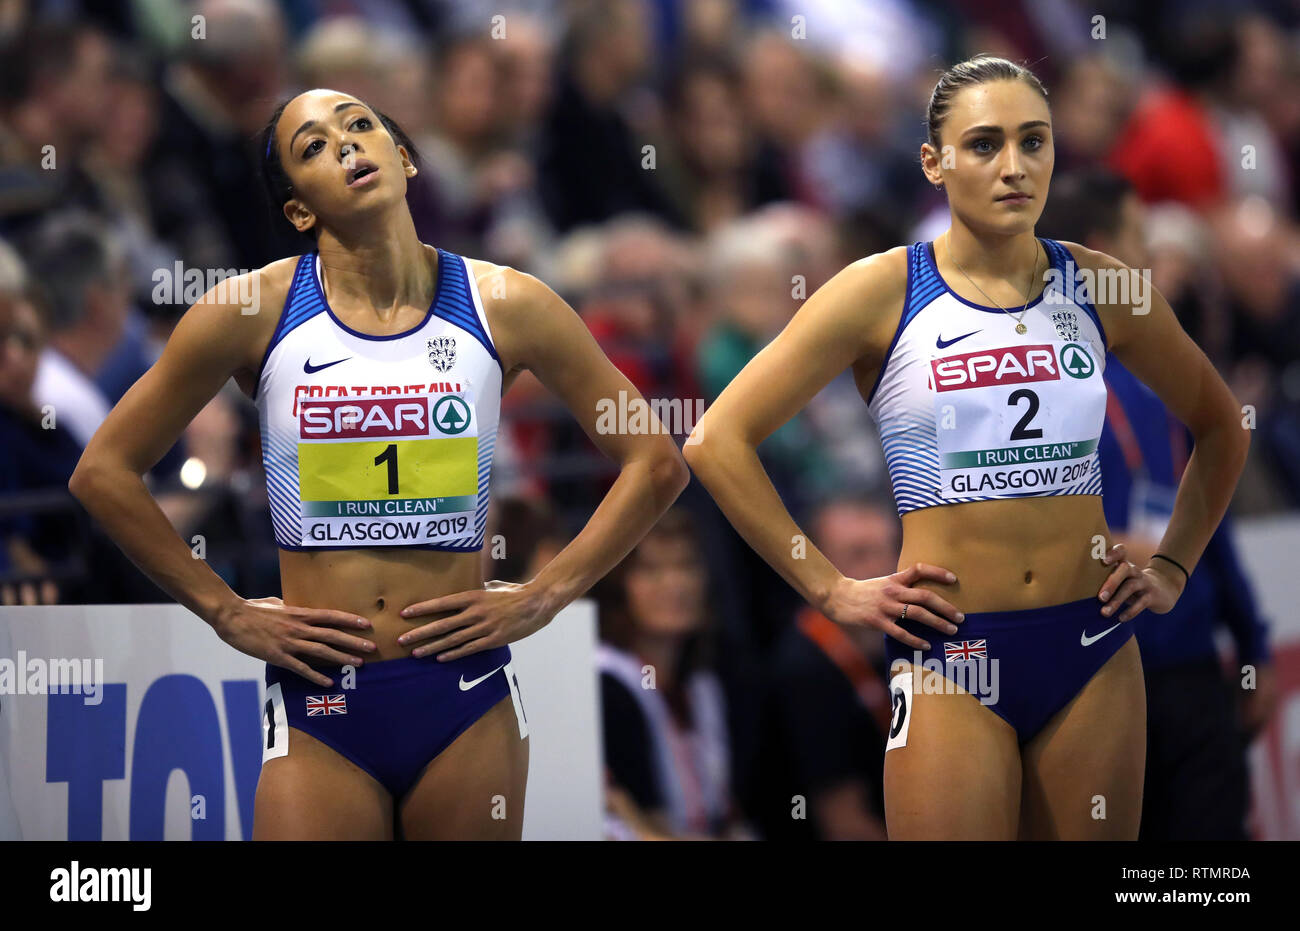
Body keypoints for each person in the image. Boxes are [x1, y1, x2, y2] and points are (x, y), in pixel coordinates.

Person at [69, 88, 688, 840]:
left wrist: (544, 595)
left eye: (361, 125)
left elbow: (655, 461)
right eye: (314, 146)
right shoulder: (248, 310)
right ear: (299, 210)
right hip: (319, 699)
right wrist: (224, 610)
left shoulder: (509, 303)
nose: (347, 144)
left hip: (463, 697)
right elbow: (102, 472)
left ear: (405, 157)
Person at [684, 56, 1250, 840]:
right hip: (952, 649)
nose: (1014, 166)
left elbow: (1223, 425)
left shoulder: (1103, 285)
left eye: (1035, 141)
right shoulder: (879, 289)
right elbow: (717, 440)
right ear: (934, 161)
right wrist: (829, 587)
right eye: (984, 144)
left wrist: (1173, 565)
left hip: (1093, 645)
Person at [1038, 168, 1275, 839]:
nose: (1149, 261)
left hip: (1193, 673)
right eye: (1137, 241)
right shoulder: (1037, 382)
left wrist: (1251, 645)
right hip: (1097, 681)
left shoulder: (1166, 371)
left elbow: (1209, 512)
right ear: (1098, 253)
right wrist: (1106, 547)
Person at [770, 495, 898, 840]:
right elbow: (844, 825)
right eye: (860, 554)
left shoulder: (894, 645)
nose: (883, 568)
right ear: (818, 568)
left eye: (888, 549)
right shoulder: (807, 668)